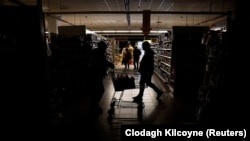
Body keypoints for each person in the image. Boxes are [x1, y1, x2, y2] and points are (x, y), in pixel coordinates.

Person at [89, 41, 114, 115]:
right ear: (102, 47)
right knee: (100, 90)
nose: (106, 49)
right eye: (105, 47)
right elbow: (103, 62)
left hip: (94, 74)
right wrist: (110, 64)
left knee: (95, 91)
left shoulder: (96, 52)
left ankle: (94, 106)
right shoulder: (99, 53)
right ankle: (94, 106)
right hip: (96, 74)